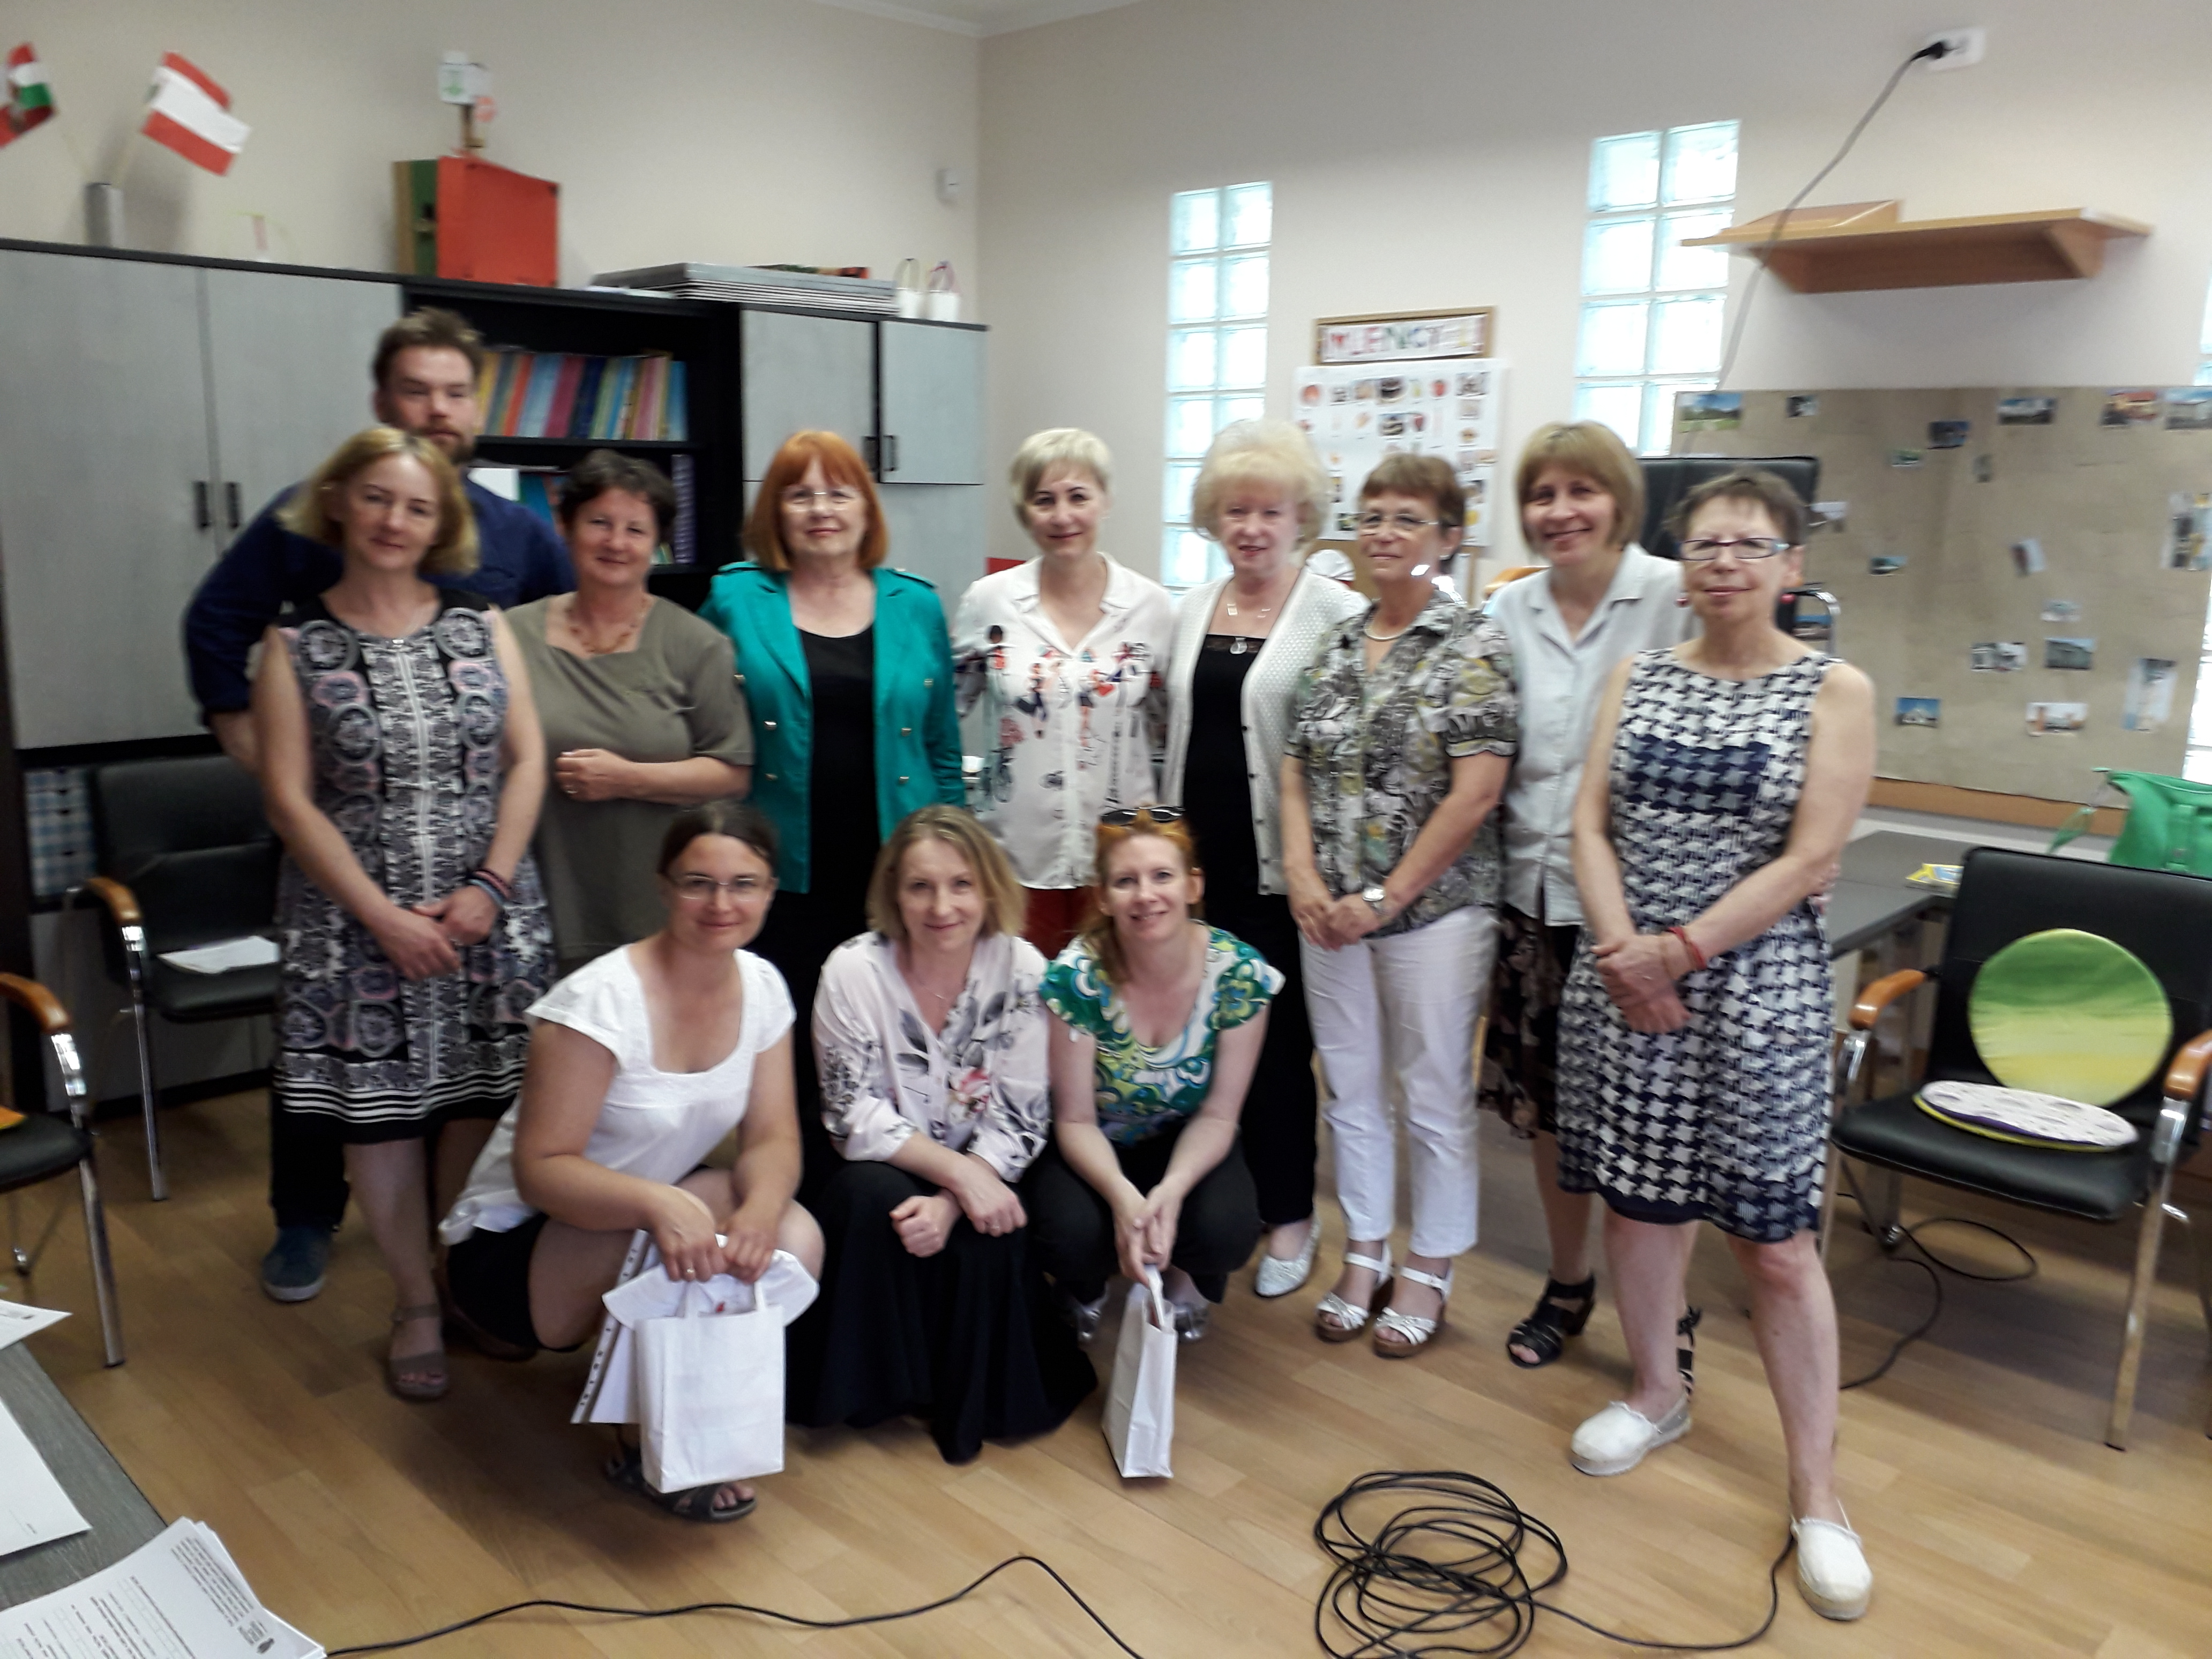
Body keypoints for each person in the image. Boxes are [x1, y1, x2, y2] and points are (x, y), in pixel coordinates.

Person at [184, 306, 572, 1306]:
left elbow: (563, 639)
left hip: (480, 879)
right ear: (380, 401)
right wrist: (262, 753)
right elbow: (215, 625)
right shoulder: (301, 523)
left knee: (477, 1087)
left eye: (454, 392)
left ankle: (458, 1268)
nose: (436, 409)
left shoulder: (515, 536)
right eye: (416, 390)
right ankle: (308, 1220)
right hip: (349, 863)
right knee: (346, 1084)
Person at [1553, 468, 1875, 1621]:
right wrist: (1621, 951)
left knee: (1775, 1244)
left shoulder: (1834, 689)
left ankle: (1817, 1495)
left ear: (1791, 566)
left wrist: (1675, 953)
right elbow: (1588, 823)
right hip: (1627, 978)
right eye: (1704, 545)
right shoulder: (1635, 675)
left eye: (1749, 544)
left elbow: (1809, 857)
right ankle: (1657, 1391)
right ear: (1680, 566)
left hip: (1756, 993)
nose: (1724, 562)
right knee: (1639, 1210)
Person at [251, 426, 556, 1402]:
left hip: (485, 915)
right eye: (378, 498)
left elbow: (527, 760)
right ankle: (415, 1299)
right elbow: (288, 799)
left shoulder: (482, 622)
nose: (395, 520)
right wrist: (382, 917)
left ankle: (460, 1278)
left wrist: (490, 887)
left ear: (442, 523)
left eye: (419, 506)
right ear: (340, 502)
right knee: (379, 1118)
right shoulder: (293, 642)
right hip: (352, 925)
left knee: (473, 1102)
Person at [440, 803, 823, 1523]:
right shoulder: (598, 1002)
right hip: (513, 1247)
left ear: (771, 891)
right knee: (693, 1218)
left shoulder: (764, 986)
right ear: (663, 886)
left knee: (793, 1235)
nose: (721, 904)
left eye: (743, 884)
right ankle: (642, 1437)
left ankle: (696, 1414)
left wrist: (762, 1210)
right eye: (698, 883)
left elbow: (774, 1137)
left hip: (629, 1214)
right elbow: (541, 1171)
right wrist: (658, 1204)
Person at [1282, 453, 1516, 1358]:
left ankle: (1431, 1263)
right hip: (1327, 915)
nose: (1384, 532)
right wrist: (1303, 876)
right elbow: (1297, 768)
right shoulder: (1337, 641)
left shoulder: (1474, 644)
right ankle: (1365, 1248)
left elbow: (1475, 794)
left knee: (1430, 1091)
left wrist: (1385, 896)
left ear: (1449, 537)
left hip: (1434, 914)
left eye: (1407, 518)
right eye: (1372, 516)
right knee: (1348, 1087)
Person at [1479, 421, 1695, 1373]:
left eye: (1581, 491)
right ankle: (1568, 1281)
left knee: (1652, 1120)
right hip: (1530, 899)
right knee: (1550, 1112)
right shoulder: (1505, 610)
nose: (1560, 511)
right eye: (1542, 495)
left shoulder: (1676, 597)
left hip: (1643, 911)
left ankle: (1668, 1311)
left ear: (1620, 501)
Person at [699, 431, 965, 1190]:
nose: (822, 509)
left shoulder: (915, 604)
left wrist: (957, 861)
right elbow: (703, 725)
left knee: (895, 1038)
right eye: (800, 493)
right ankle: (799, 1200)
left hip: (898, 869)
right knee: (791, 1044)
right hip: (785, 868)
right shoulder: (737, 598)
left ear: (866, 507)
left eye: (839, 492)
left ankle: (894, 1195)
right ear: (775, 511)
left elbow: (943, 747)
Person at [788, 805, 1093, 1462]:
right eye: (920, 886)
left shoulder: (1023, 969)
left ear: (989, 888)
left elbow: (1021, 1114)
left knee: (990, 1230)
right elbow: (850, 1114)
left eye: (961, 885)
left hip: (986, 1160)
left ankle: (955, 1396)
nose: (942, 906)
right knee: (872, 1198)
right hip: (878, 1158)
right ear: (894, 893)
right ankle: (877, 1391)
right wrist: (957, 1176)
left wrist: (957, 1198)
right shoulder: (852, 970)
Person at [1159, 420, 1362, 1298]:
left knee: (1277, 1052)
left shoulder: (1336, 614)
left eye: (1269, 511)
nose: (1251, 528)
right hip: (1190, 875)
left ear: (1300, 518)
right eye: (1236, 511)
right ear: (1214, 517)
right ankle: (1208, 1204)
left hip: (1281, 877)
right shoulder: (1189, 607)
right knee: (1195, 1045)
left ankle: (1289, 1215)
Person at [1025, 810, 1275, 1341]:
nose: (1145, 896)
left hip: (1185, 1136)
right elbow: (1073, 1119)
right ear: (1102, 897)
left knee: (1226, 1230)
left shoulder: (1239, 973)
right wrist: (1123, 1197)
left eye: (1162, 876)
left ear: (1193, 885)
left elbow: (1220, 1115)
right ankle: (1085, 1281)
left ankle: (1186, 1272)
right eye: (1125, 881)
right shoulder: (1076, 977)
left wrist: (1173, 1191)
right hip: (1093, 1141)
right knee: (1067, 1233)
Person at [509, 450, 752, 977]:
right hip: (531, 904)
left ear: (657, 542)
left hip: (654, 909)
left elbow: (732, 773)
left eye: (635, 529)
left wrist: (627, 778)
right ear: (565, 526)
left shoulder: (697, 644)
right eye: (599, 523)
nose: (616, 543)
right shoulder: (509, 635)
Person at [953, 429, 1170, 958]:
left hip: (1124, 862)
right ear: (1024, 511)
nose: (1062, 516)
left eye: (1078, 497)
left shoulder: (1153, 608)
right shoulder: (989, 603)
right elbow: (943, 712)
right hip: (1014, 857)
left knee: (1116, 996)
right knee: (1022, 995)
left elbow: (1171, 727)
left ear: (1105, 501)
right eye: (1044, 500)